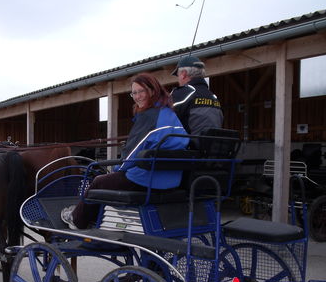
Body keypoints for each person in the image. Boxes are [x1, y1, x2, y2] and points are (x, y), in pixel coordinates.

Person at [61, 72, 189, 229]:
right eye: (134, 93)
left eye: (141, 91)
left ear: (152, 90)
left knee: (98, 181)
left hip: (146, 179)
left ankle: (77, 219)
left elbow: (133, 151)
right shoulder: (169, 114)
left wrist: (117, 169)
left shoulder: (150, 117)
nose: (137, 96)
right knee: (110, 181)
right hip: (171, 179)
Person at [170, 55, 223, 135]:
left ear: (183, 74)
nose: (178, 79)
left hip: (188, 146)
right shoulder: (214, 97)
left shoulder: (181, 95)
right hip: (212, 146)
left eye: (178, 75)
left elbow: (161, 118)